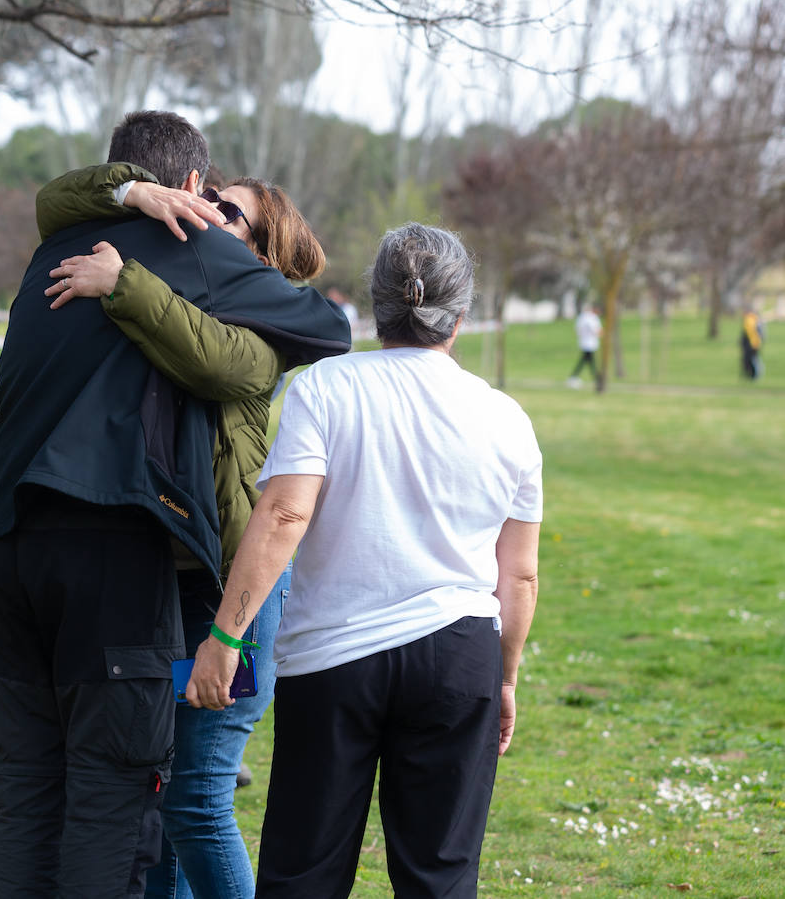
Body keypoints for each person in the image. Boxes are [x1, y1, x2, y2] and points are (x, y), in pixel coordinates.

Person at [0, 110, 351, 898]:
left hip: (176, 577)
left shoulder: (86, 256)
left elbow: (249, 355)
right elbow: (326, 325)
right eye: (214, 204)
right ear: (191, 188)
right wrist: (138, 199)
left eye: (231, 216)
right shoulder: (178, 247)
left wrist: (127, 282)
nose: (213, 219)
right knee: (134, 793)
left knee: (137, 795)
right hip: (137, 562)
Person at [186, 223, 542, 898]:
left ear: (375, 307)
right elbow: (518, 574)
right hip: (459, 654)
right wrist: (505, 676)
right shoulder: (507, 418)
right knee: (439, 878)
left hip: (333, 662)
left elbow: (284, 515)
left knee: (303, 875)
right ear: (460, 316)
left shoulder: (326, 389)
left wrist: (227, 635)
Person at [568, 302, 602, 387]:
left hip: (583, 342)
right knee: (587, 361)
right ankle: (596, 378)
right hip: (590, 343)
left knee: (587, 361)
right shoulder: (592, 318)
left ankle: (595, 377)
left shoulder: (581, 317)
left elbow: (577, 329)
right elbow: (596, 331)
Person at [741, 306, 765, 380]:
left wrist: (755, 343)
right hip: (751, 343)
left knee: (754, 359)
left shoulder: (752, 320)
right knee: (752, 359)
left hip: (752, 344)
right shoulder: (752, 319)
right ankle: (752, 375)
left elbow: (755, 333)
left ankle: (756, 376)